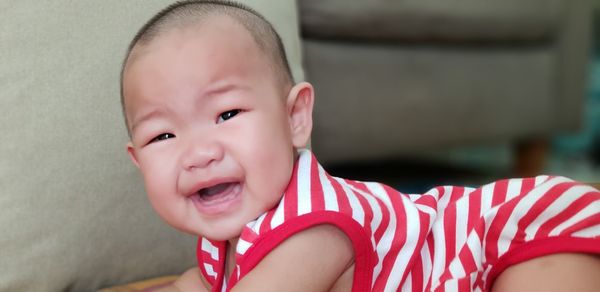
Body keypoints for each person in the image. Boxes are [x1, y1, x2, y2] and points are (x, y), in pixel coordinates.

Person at [120, 1, 600, 291]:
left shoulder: (313, 230)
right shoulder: (221, 241)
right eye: (163, 135)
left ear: (294, 118)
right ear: (137, 160)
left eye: (227, 115)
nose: (198, 152)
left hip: (511, 240)